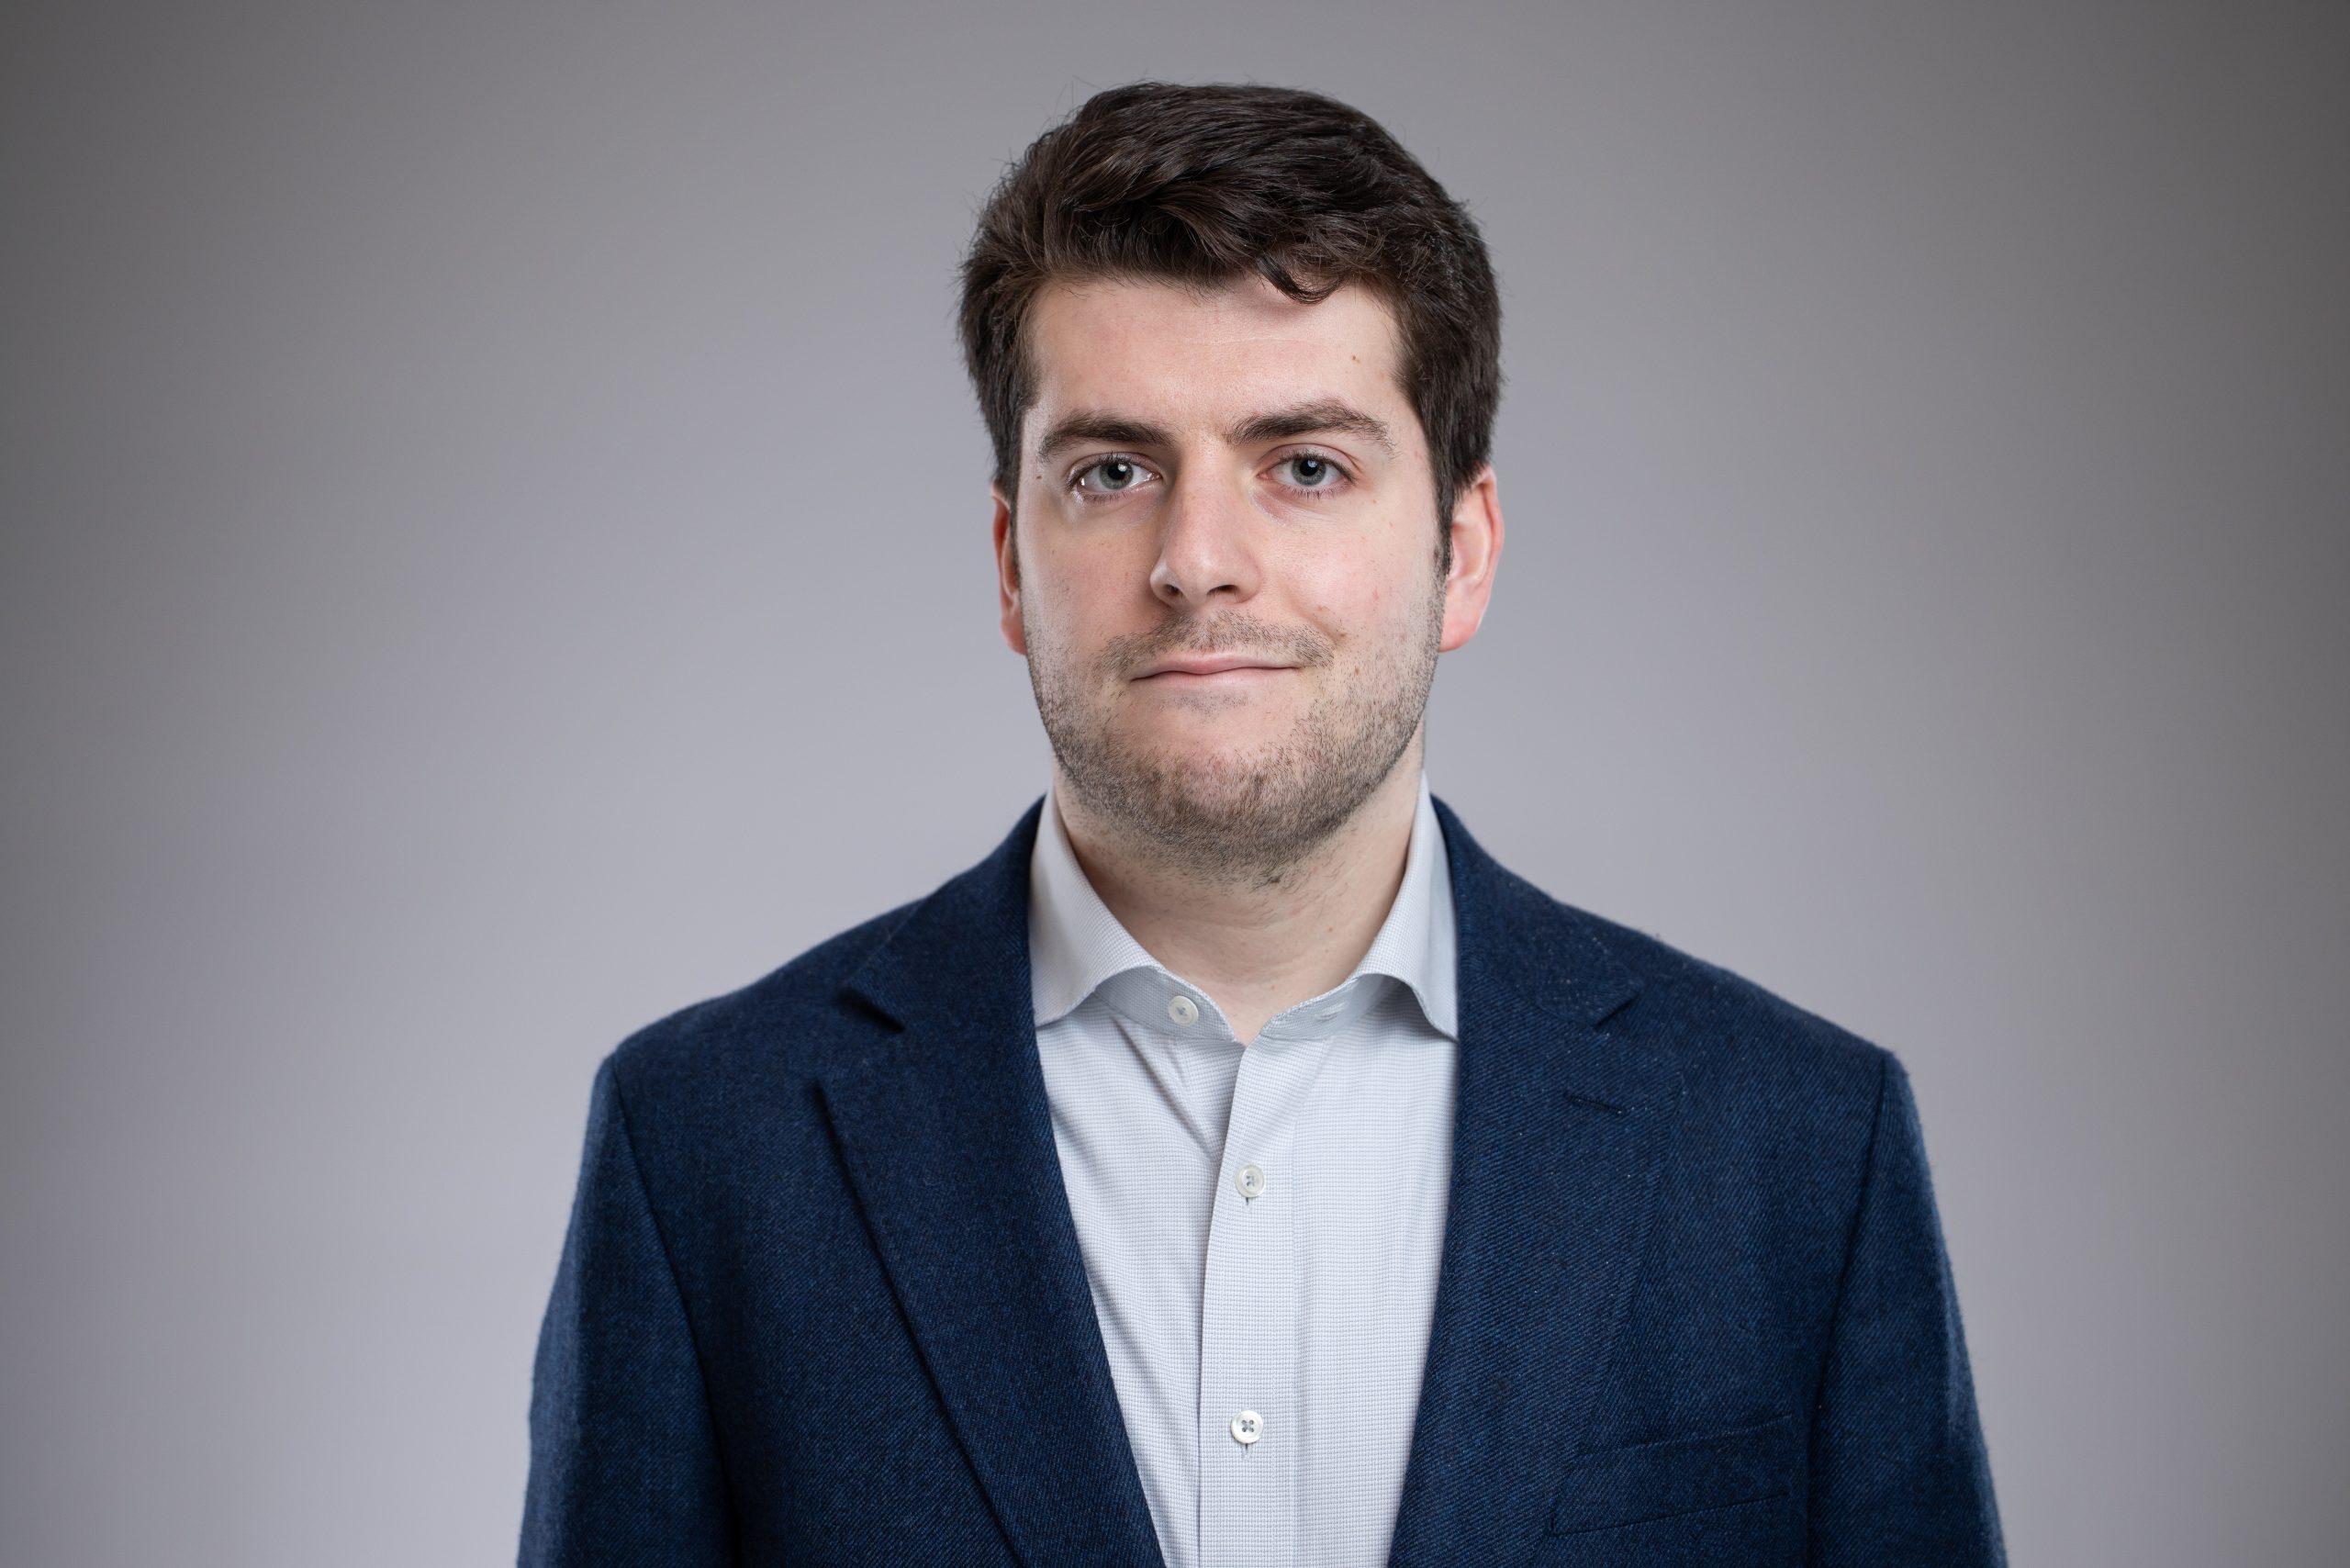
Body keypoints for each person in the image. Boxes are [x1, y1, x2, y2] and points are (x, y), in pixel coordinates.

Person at [519, 82, 2003, 1568]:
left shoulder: (1800, 1146)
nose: (1198, 560)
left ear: (1463, 550)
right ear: (1011, 562)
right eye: (1113, 472)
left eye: (1305, 466)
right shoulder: (704, 1145)